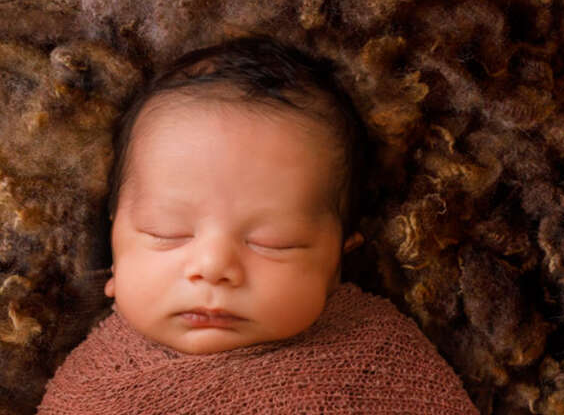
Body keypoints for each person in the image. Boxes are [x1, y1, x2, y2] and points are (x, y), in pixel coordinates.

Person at [102, 35, 369, 355]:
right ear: (115, 256)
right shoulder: (84, 385)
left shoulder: (379, 359)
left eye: (273, 242)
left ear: (337, 264)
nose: (213, 266)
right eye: (167, 232)